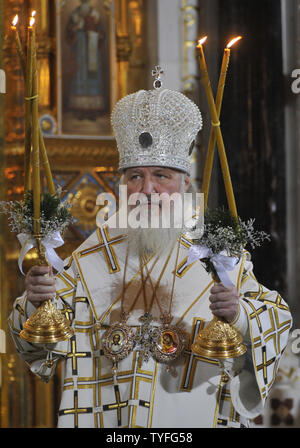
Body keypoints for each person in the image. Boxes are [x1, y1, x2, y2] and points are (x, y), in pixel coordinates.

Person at [8, 70, 292, 428]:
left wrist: (239, 316)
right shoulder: (91, 257)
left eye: (161, 175)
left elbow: (277, 319)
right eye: (135, 176)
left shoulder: (217, 255)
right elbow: (36, 347)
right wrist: (35, 301)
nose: (147, 189)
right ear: (123, 184)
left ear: (185, 183)